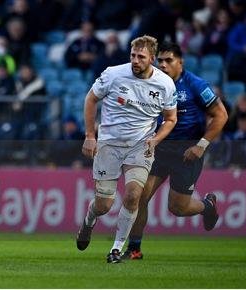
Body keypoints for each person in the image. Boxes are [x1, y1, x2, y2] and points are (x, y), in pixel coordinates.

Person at [76, 35, 178, 263]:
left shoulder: (165, 84)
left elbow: (171, 119)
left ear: (152, 59)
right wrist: (90, 135)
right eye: (133, 55)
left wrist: (156, 139)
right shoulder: (113, 74)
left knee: (133, 195)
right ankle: (89, 221)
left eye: (141, 57)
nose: (135, 61)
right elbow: (91, 99)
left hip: (140, 146)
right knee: (104, 205)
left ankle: (116, 249)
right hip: (109, 143)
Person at [122, 42, 228, 260]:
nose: (163, 64)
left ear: (181, 62)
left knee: (177, 208)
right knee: (139, 196)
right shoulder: (153, 82)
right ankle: (134, 248)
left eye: (168, 60)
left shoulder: (195, 84)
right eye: (160, 60)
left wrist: (201, 145)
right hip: (159, 147)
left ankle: (207, 205)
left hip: (186, 152)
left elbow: (221, 115)